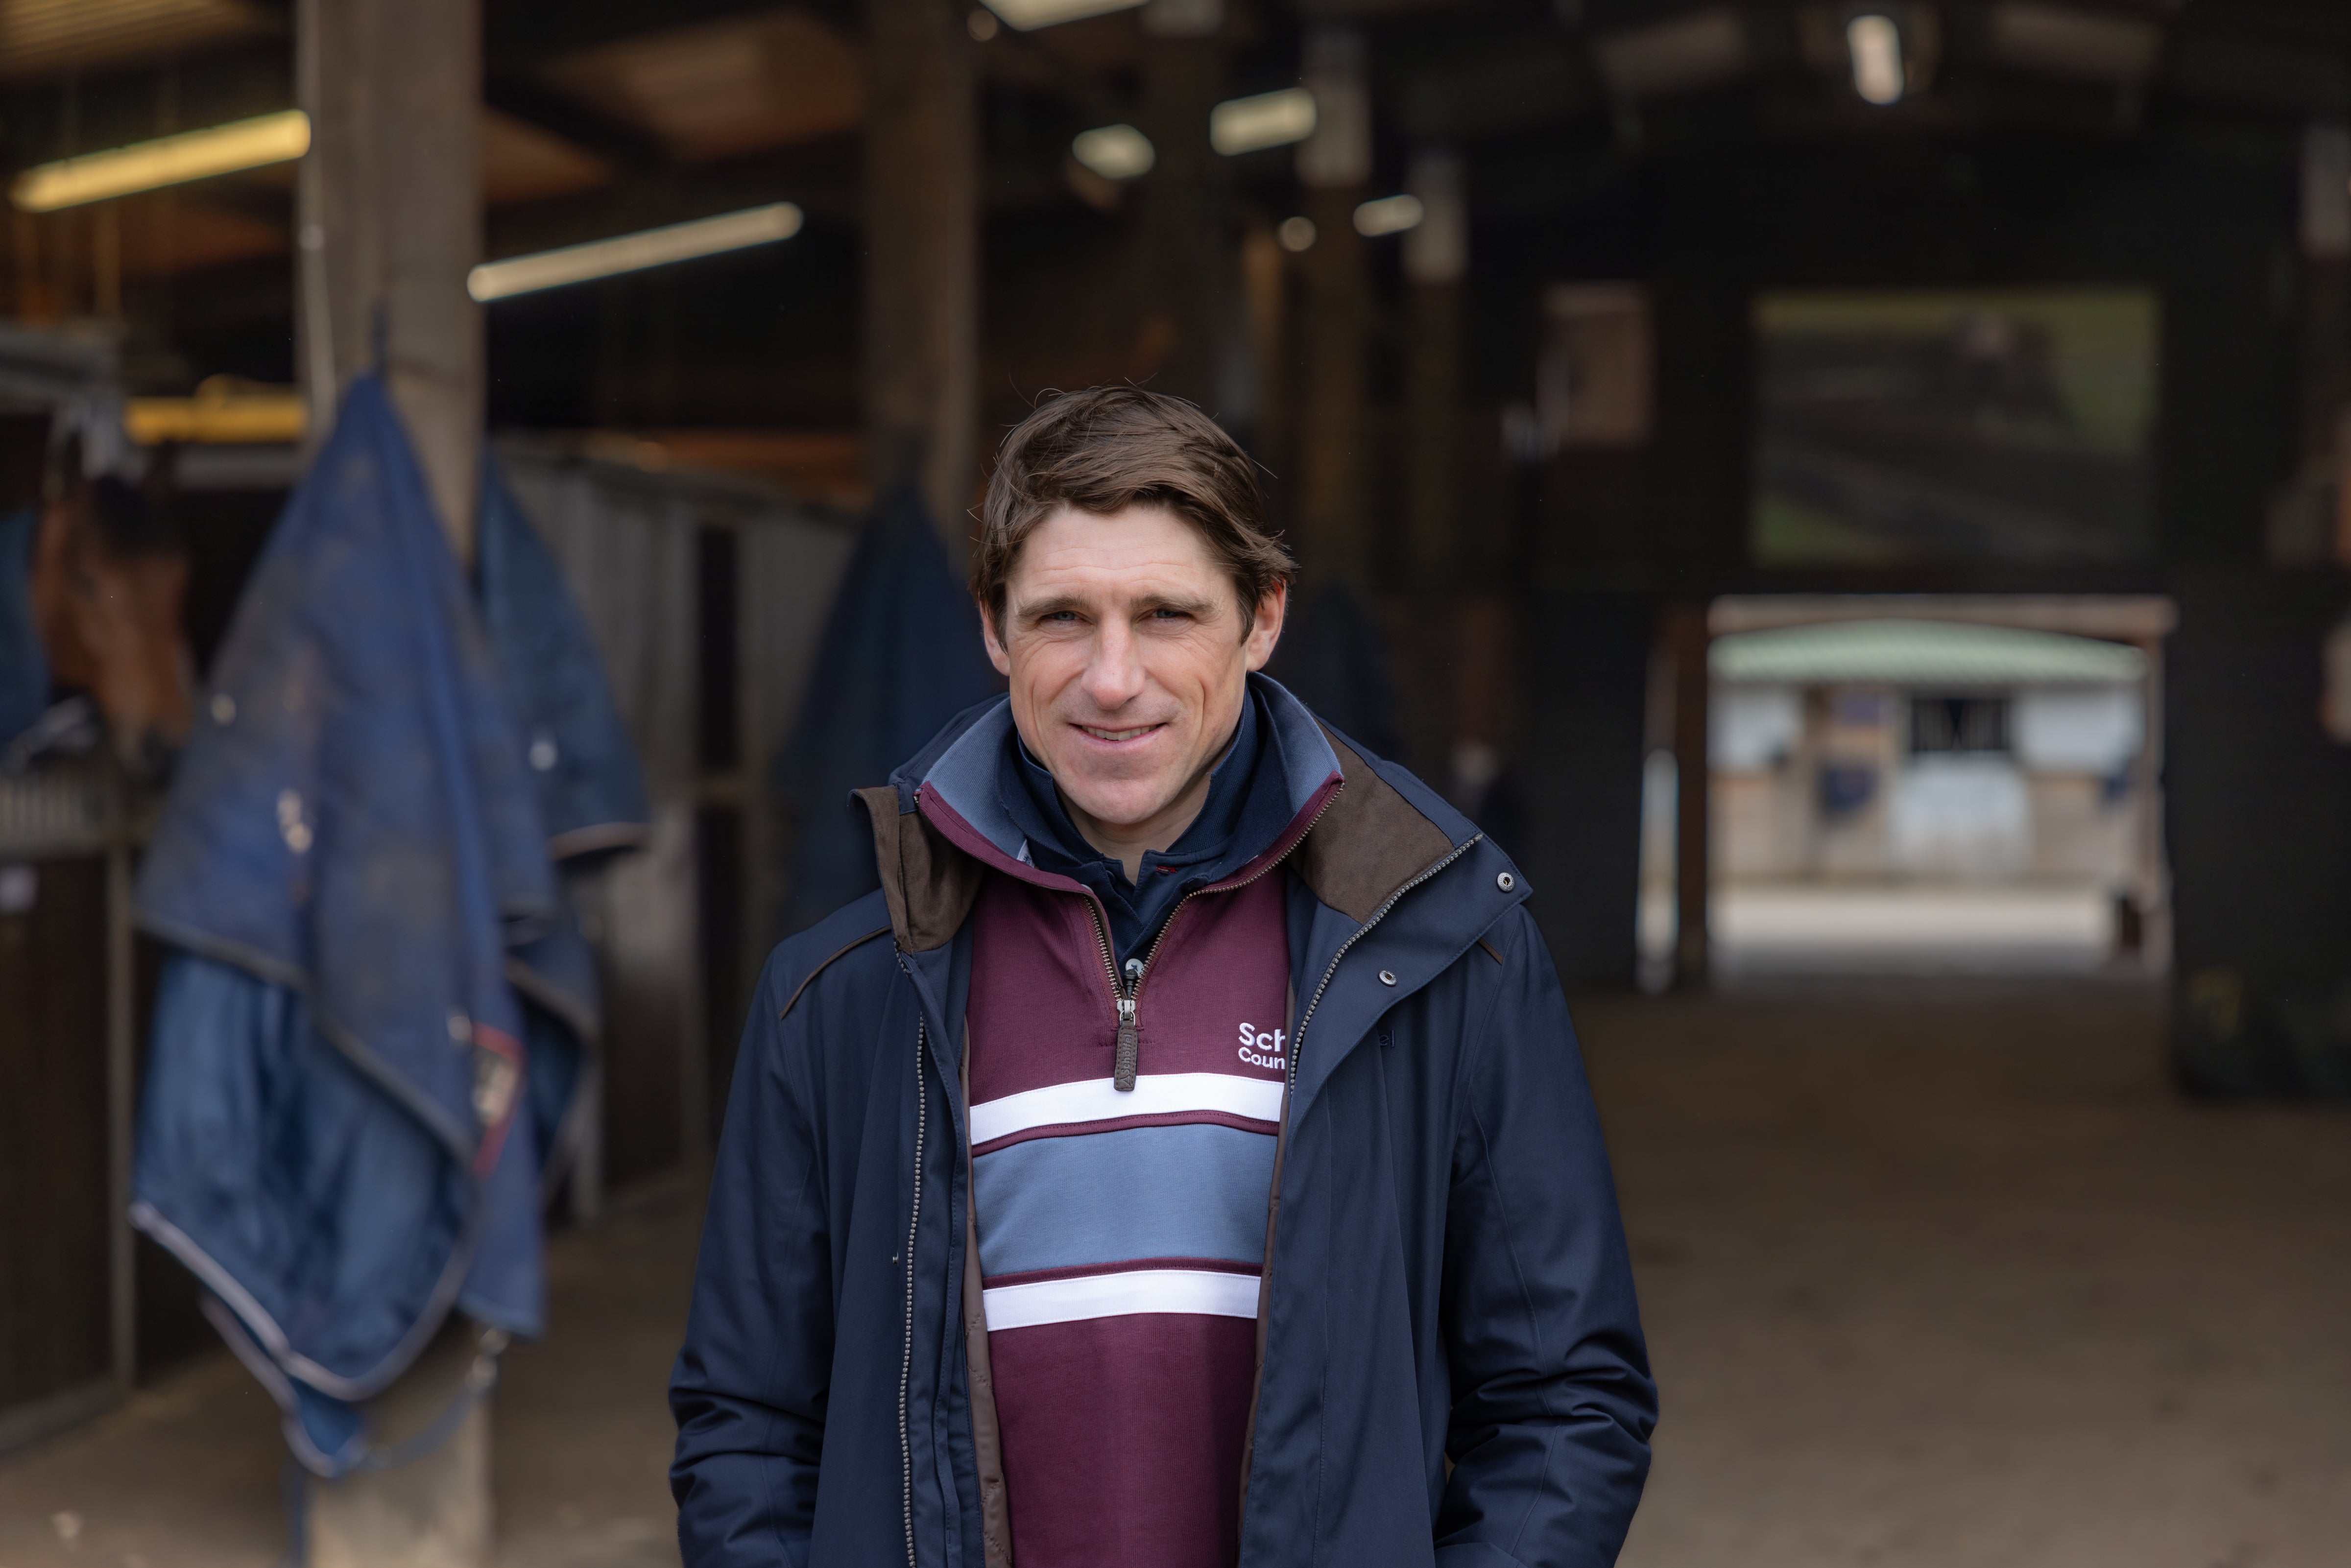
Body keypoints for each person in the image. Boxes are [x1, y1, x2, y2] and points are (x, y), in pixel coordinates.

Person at [670, 387, 1656, 1568]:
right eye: (1062, 617)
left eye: (1166, 613)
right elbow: (748, 1426)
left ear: (1262, 619)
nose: (1112, 677)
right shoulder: (838, 994)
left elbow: (1565, 1401)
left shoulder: (1448, 953)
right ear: (993, 630)